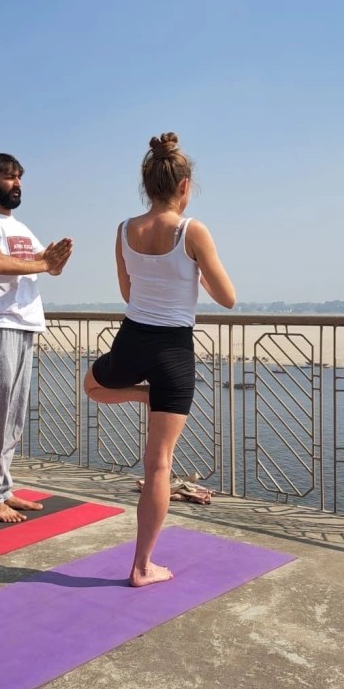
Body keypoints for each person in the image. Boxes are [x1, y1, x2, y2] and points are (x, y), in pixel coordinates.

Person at [83, 132, 235, 587]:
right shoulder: (193, 231)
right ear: (184, 186)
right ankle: (142, 565)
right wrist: (197, 276)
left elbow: (127, 291)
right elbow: (227, 297)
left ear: (146, 185)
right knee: (159, 466)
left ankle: (143, 396)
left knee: (92, 385)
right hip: (173, 352)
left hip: (132, 340)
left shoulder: (124, 230)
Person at [0, 153, 73, 523]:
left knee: (12, 418)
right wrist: (45, 263)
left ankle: (4, 490)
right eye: (9, 177)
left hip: (25, 326)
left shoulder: (22, 229)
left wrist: (55, 259)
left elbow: (45, 264)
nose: (17, 184)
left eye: (19, 177)